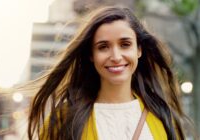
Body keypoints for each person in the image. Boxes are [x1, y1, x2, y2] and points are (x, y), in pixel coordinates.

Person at [28, 6, 189, 140]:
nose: (116, 57)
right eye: (103, 47)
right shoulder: (64, 119)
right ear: (91, 55)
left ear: (139, 50)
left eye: (125, 44)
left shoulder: (161, 115)